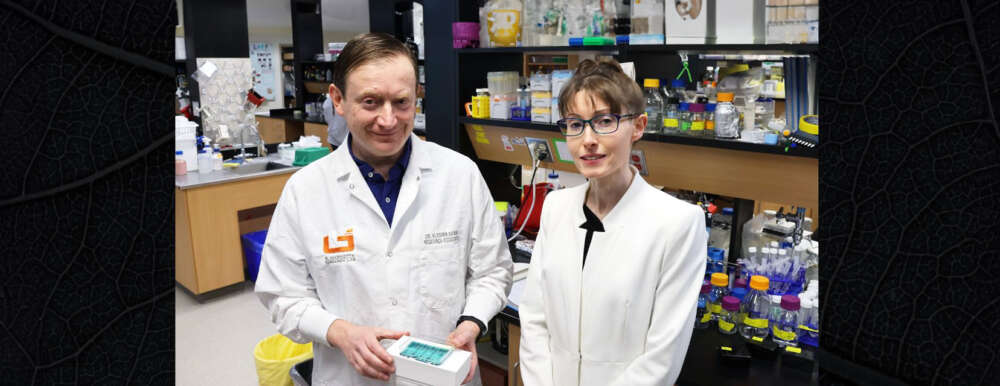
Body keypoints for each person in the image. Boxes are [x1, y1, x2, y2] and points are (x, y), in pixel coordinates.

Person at [255, 33, 513, 385]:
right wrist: (339, 331)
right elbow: (282, 294)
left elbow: (493, 271)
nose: (388, 120)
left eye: (401, 102)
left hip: (445, 376)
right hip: (350, 377)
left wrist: (471, 323)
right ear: (338, 100)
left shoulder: (460, 175)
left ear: (416, 99)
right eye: (371, 102)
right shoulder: (305, 191)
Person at [518, 58, 707, 385]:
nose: (588, 139)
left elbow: (662, 356)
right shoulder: (556, 207)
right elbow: (535, 318)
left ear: (638, 126)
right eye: (575, 124)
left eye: (604, 121)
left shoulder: (677, 223)